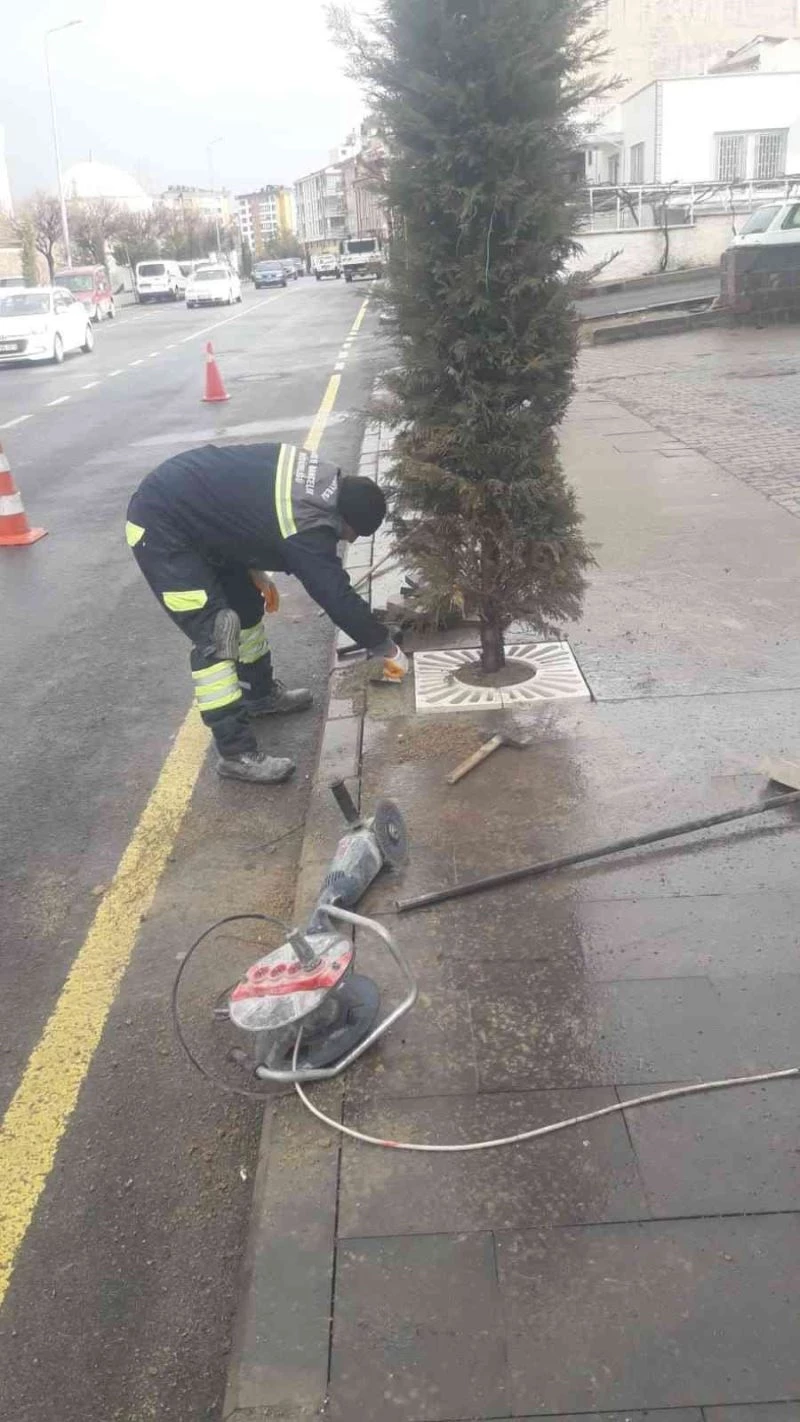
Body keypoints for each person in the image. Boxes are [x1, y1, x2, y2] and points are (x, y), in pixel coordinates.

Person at [126, 441, 408, 784]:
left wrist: (252, 565)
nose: (345, 541)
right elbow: (334, 594)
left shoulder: (324, 481)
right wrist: (385, 646)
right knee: (217, 632)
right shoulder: (306, 520)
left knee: (244, 606)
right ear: (343, 518)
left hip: (200, 517)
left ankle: (258, 696)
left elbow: (250, 508)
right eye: (350, 535)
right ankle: (235, 754)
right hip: (162, 525)